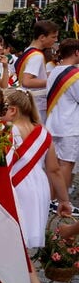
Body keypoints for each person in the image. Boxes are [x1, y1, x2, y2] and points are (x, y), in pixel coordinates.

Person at [1, 88, 69, 283]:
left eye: (2, 109)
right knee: (17, 240)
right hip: (38, 187)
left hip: (15, 187)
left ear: (13, 110)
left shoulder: (8, 131)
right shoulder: (43, 132)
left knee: (8, 237)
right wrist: (63, 199)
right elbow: (54, 170)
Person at [45, 38, 79, 195]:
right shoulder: (75, 74)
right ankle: (62, 199)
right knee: (66, 164)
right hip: (69, 126)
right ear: (76, 53)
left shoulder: (54, 71)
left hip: (53, 123)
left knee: (54, 164)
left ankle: (51, 197)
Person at [16, 20, 59, 123]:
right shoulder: (37, 56)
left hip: (30, 101)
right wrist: (53, 79)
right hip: (36, 104)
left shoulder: (29, 50)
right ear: (42, 37)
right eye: (53, 37)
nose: (56, 40)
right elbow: (27, 81)